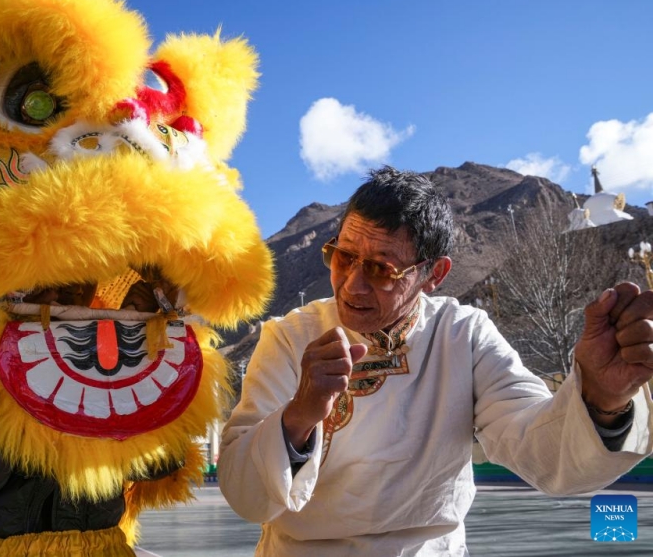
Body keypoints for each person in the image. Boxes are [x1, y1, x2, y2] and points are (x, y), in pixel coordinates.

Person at [218, 165, 653, 556]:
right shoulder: (289, 337)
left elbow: (539, 449)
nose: (352, 285)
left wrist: (602, 398)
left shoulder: (463, 333)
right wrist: (298, 415)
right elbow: (246, 493)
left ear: (434, 275)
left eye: (381, 270)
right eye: (344, 256)